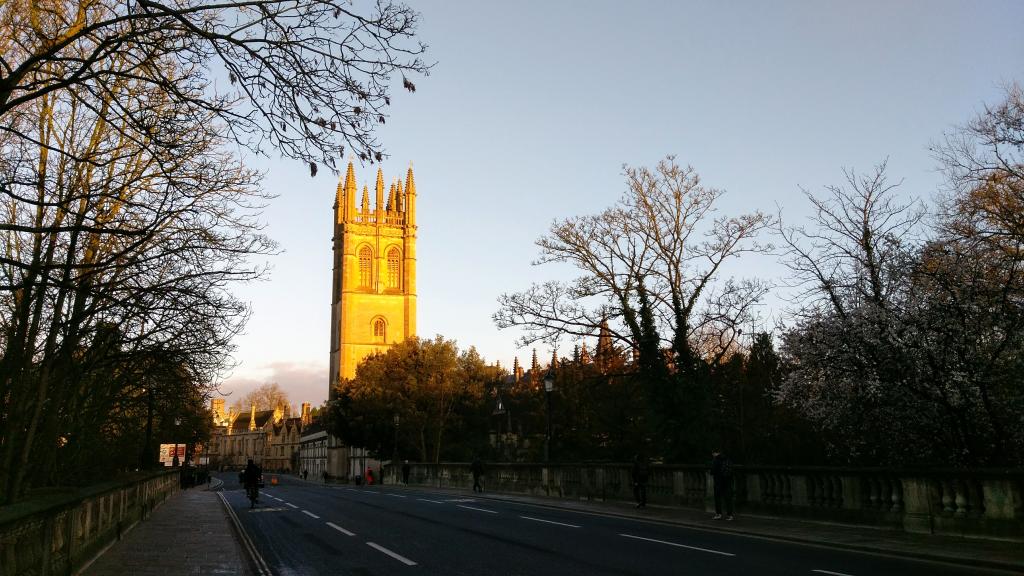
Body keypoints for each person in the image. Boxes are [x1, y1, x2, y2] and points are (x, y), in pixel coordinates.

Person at [711, 450, 734, 520]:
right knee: (728, 498)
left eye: (713, 453)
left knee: (717, 498)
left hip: (718, 481)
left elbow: (713, 471)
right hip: (727, 481)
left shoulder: (716, 460)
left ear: (715, 453)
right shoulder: (727, 458)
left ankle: (718, 514)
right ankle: (730, 515)